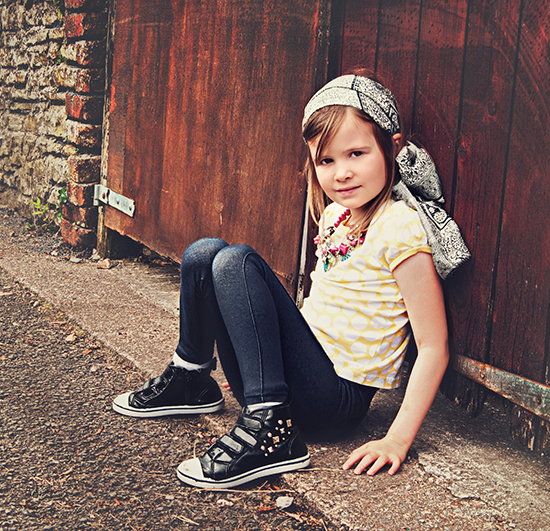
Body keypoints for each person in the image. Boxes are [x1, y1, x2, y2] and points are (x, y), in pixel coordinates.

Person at [112, 69, 467, 489]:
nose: (341, 173)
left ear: (392, 149)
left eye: (356, 154)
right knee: (204, 253)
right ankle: (192, 378)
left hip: (334, 402)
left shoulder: (400, 227)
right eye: (326, 160)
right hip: (293, 385)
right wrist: (260, 364)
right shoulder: (336, 215)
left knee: (236, 261)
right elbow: (318, 316)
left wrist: (397, 439)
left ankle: (273, 434)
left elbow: (433, 346)